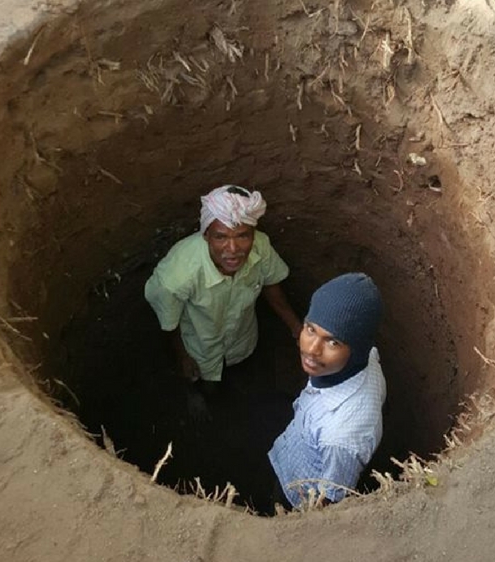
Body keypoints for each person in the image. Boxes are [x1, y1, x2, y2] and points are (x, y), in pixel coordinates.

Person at [144, 185, 302, 419]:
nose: (233, 249)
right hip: (200, 347)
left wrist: (297, 329)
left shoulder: (261, 247)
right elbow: (169, 321)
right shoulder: (178, 275)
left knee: (242, 367)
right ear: (206, 235)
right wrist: (183, 357)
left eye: (242, 236)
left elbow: (271, 285)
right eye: (221, 237)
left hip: (242, 337)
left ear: (252, 234)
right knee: (205, 383)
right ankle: (198, 398)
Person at [269, 272, 387, 509]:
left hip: (297, 493)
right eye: (310, 329)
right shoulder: (364, 359)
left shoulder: (341, 436)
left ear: (357, 349)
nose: (312, 349)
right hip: (294, 452)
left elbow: (330, 500)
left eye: (333, 342)